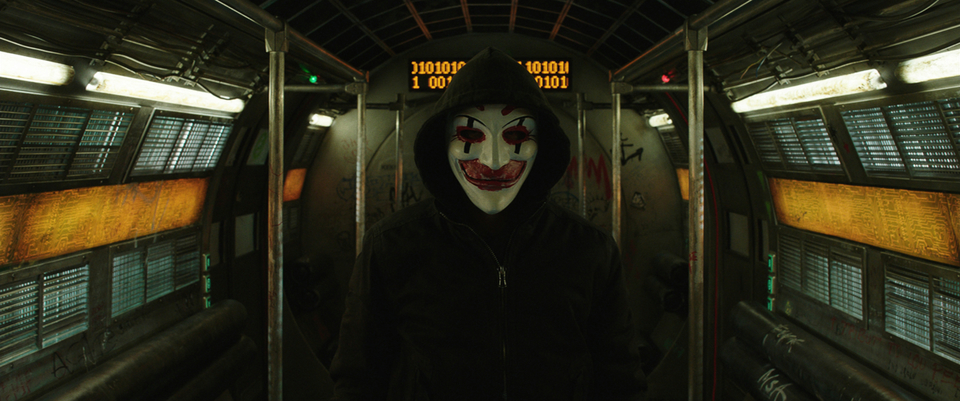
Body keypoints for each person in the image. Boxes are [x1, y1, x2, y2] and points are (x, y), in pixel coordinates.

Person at [330, 47, 645, 400]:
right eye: (469, 136)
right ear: (441, 144)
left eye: (517, 136)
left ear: (542, 145)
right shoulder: (391, 247)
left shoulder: (589, 250)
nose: (494, 161)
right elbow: (358, 379)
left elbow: (620, 380)